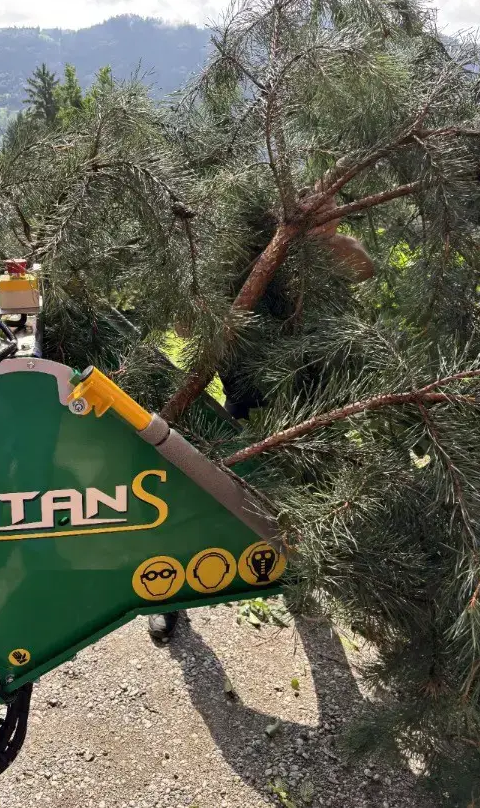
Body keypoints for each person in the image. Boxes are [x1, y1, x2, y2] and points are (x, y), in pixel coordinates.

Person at [148, 192, 375, 642]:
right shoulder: (234, 258)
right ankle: (167, 593)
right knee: (203, 498)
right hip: (246, 404)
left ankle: (296, 574)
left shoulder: (318, 255)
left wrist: (321, 238)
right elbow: (183, 329)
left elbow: (364, 266)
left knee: (305, 498)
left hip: (312, 404)